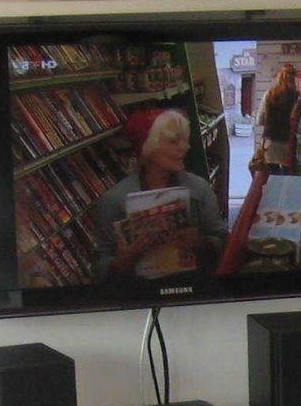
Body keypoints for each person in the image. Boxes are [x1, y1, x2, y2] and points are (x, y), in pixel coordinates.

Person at [92, 108, 225, 283]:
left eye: (184, 140)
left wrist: (201, 244)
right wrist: (122, 261)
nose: (185, 147)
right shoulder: (113, 200)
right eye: (173, 141)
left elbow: (223, 240)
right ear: (148, 147)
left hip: (194, 287)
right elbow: (99, 266)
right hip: (140, 293)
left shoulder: (200, 189)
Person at [252, 64, 301, 175]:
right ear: (294, 78)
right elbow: (297, 120)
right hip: (287, 141)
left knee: (269, 174)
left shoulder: (269, 94)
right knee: (287, 175)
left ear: (279, 77)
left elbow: (260, 120)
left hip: (269, 141)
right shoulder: (296, 96)